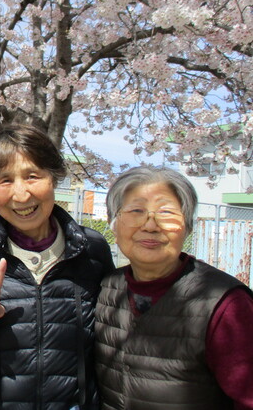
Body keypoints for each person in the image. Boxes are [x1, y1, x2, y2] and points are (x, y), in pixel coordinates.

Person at [0, 124, 115, 409]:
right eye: (4, 180)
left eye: (32, 176)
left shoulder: (92, 250)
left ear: (53, 178)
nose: (21, 194)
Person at [95, 166, 253, 410]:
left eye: (166, 213)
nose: (151, 226)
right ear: (113, 224)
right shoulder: (106, 287)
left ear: (187, 227)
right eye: (136, 211)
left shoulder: (226, 304)